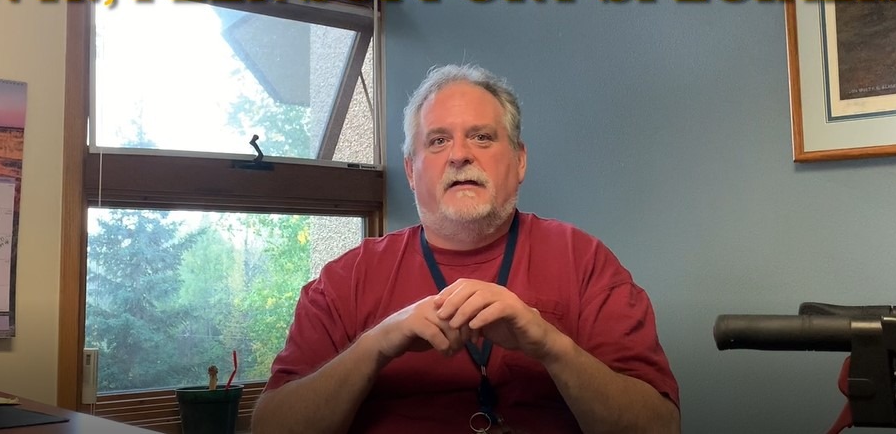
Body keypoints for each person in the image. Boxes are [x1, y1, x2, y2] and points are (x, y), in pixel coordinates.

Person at [253, 64, 680, 433]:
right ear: (410, 171)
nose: (460, 155)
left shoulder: (584, 262)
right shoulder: (344, 281)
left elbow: (659, 427)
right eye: (438, 141)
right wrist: (376, 345)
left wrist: (550, 345)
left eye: (481, 137)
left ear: (520, 162)